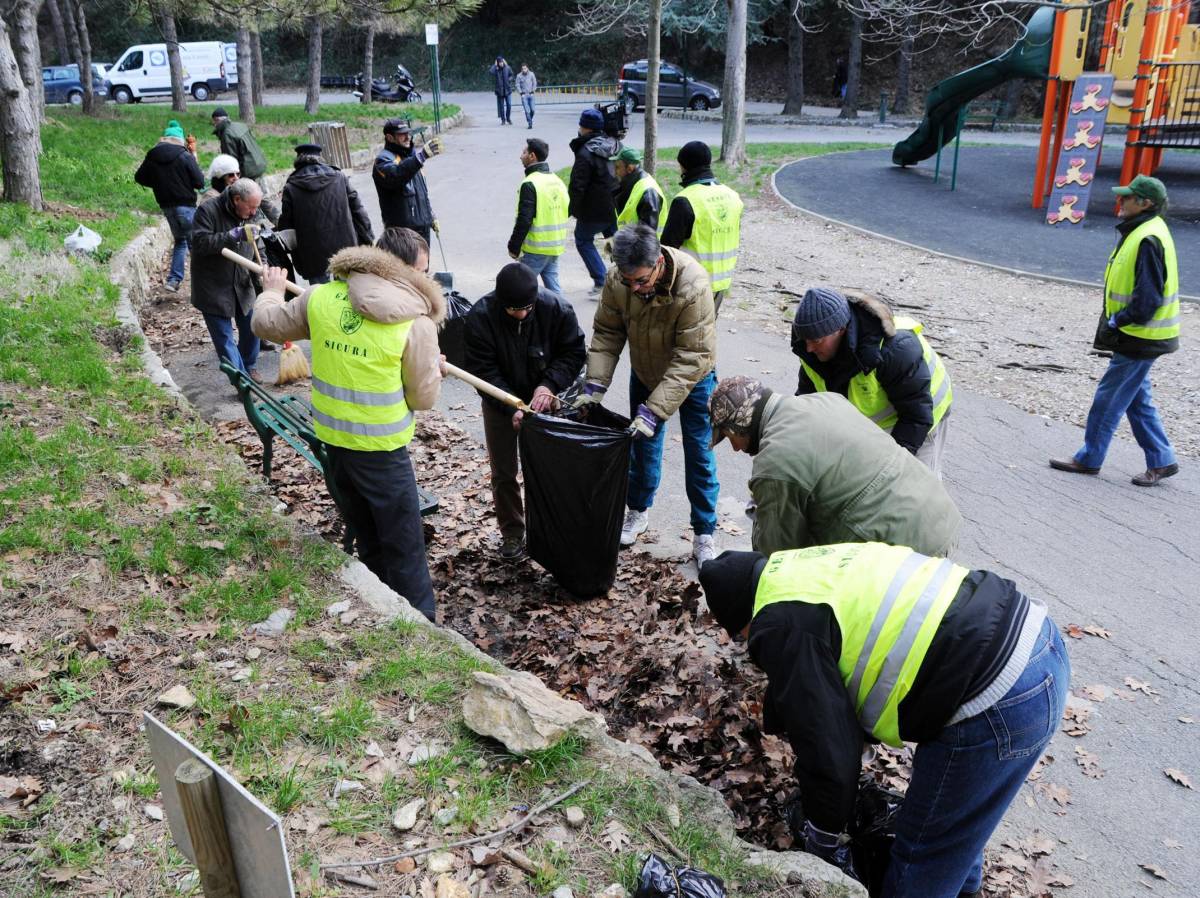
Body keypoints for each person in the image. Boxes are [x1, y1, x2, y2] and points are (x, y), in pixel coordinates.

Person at [699, 542, 1069, 898]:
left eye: (738, 637)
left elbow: (829, 748)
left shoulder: (775, 622)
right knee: (953, 827)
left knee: (917, 862)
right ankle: (967, 888)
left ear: (740, 623)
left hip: (996, 697)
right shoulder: (803, 567)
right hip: (1038, 643)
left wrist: (822, 839)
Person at [251, 227, 445, 620]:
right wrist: (431, 369)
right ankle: (424, 631)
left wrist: (271, 289)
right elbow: (423, 398)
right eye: (423, 270)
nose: (427, 279)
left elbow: (266, 324)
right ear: (404, 271)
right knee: (406, 549)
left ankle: (380, 610)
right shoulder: (415, 323)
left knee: (369, 537)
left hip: (335, 445)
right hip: (383, 455)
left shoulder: (320, 297)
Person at [575, 224, 719, 567]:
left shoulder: (693, 284)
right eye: (629, 281)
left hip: (694, 378)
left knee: (698, 451)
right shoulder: (619, 281)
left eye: (641, 281)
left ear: (657, 262)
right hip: (645, 372)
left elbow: (692, 356)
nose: (635, 288)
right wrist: (594, 386)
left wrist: (654, 410)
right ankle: (637, 512)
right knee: (641, 446)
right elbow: (608, 333)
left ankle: (704, 532)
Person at [708, 375, 961, 557]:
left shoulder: (774, 463)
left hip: (907, 552)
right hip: (939, 517)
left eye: (731, 438)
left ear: (741, 425)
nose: (736, 449)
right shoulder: (825, 400)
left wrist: (761, 516)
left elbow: (778, 559)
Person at [1050, 175, 1180, 486]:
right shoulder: (1146, 231)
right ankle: (1162, 459)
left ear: (1145, 203)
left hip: (1139, 335)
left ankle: (1089, 458)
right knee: (1137, 399)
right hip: (1144, 334)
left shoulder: (1147, 237)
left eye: (1128, 198)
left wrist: (1118, 320)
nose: (1120, 202)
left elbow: (1148, 299)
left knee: (1108, 401)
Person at [463, 263, 587, 560]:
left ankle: (550, 529)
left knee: (549, 469)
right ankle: (512, 534)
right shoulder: (480, 317)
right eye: (512, 310)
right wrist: (510, 407)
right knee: (504, 471)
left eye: (526, 308)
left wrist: (549, 385)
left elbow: (574, 353)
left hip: (546, 398)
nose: (520, 314)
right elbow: (482, 371)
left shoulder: (557, 309)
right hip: (500, 402)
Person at [791, 287, 954, 478]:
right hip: (880, 418)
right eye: (806, 340)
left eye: (816, 340)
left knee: (915, 487)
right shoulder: (812, 351)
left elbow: (916, 417)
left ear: (841, 329)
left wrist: (889, 469)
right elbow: (809, 406)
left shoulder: (893, 350)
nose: (809, 348)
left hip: (924, 413)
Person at [190, 178, 265, 381]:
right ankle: (242, 382)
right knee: (225, 340)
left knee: (252, 328)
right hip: (213, 286)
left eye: (256, 208)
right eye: (250, 207)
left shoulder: (251, 211)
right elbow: (198, 243)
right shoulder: (208, 210)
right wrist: (232, 236)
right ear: (237, 199)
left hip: (242, 282)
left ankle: (248, 366)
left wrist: (263, 267)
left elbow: (260, 244)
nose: (253, 213)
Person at [660, 141, 743, 312]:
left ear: (683, 166)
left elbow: (667, 248)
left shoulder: (685, 200)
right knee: (706, 332)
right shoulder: (733, 196)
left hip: (691, 283)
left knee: (686, 335)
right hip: (721, 283)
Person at [278, 143, 374, 285]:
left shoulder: (291, 187)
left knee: (322, 300)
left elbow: (287, 226)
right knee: (350, 293)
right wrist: (368, 238)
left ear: (298, 160)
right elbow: (358, 211)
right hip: (346, 250)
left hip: (312, 256)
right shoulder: (339, 177)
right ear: (320, 158)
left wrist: (295, 256)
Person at [134, 119, 204, 293]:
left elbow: (140, 177)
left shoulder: (152, 155)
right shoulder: (184, 155)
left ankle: (173, 280)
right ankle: (204, 283)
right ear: (179, 139)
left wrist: (159, 183)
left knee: (180, 242)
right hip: (186, 206)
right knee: (195, 244)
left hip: (166, 206)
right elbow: (200, 182)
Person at [569, 107, 622, 295]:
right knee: (612, 240)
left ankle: (601, 280)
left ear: (587, 129)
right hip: (613, 205)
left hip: (593, 209)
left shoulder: (585, 153)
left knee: (583, 240)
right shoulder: (612, 144)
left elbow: (578, 185)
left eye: (581, 125)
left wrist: (572, 209)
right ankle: (623, 276)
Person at [508, 138, 569, 296]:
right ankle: (563, 318)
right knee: (554, 289)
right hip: (555, 246)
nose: (521, 156)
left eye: (524, 152)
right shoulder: (557, 181)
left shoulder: (530, 183)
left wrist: (514, 247)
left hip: (536, 248)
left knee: (519, 289)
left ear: (532, 156)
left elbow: (524, 219)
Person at [373, 119, 442, 244]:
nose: (407, 137)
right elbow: (397, 176)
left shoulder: (412, 158)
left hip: (422, 230)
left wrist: (430, 215)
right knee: (404, 265)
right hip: (402, 234)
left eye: (408, 133)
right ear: (389, 137)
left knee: (423, 264)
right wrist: (421, 157)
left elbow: (421, 193)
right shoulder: (382, 160)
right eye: (402, 134)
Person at [210, 108, 275, 223]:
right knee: (263, 199)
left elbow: (231, 162)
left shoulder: (227, 134)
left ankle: (256, 228)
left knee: (249, 202)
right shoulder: (240, 125)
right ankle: (280, 221)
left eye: (214, 123)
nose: (214, 125)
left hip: (248, 172)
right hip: (258, 166)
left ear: (216, 120)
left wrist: (232, 179)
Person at [613, 147, 664, 230]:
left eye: (617, 167)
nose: (615, 172)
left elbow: (647, 233)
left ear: (629, 168)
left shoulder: (648, 191)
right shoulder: (634, 184)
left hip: (641, 242)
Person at [490, 56, 514, 125]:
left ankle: (508, 118)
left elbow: (512, 75)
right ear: (497, 63)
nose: (501, 63)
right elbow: (491, 72)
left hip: (507, 90)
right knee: (501, 107)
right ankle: (503, 120)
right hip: (499, 91)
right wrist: (494, 65)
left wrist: (509, 80)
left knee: (509, 105)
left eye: (502, 62)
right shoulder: (496, 69)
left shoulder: (507, 67)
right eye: (499, 62)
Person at [516, 63, 538, 129]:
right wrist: (521, 93)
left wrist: (533, 91)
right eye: (523, 69)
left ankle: (529, 118)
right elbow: (517, 85)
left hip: (531, 95)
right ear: (521, 69)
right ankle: (530, 124)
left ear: (527, 68)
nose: (524, 70)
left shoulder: (531, 74)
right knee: (527, 110)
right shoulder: (519, 76)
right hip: (524, 96)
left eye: (525, 68)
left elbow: (535, 83)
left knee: (533, 110)